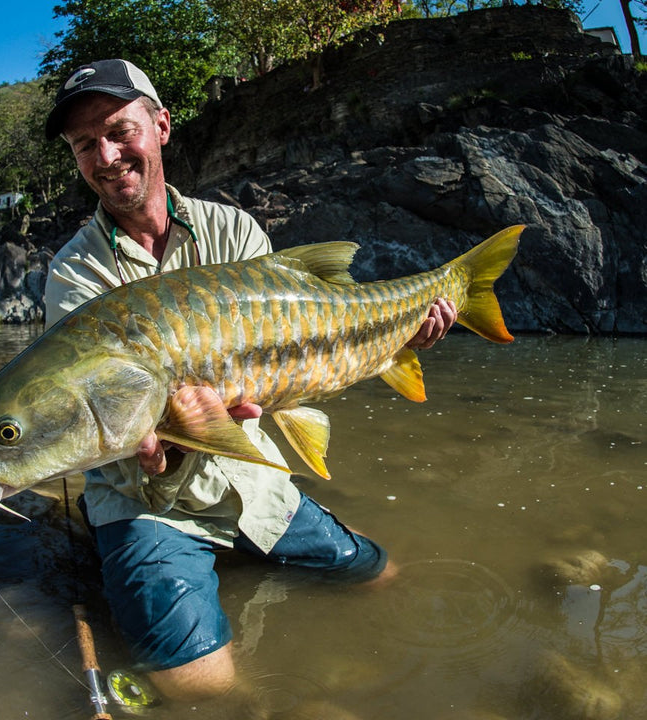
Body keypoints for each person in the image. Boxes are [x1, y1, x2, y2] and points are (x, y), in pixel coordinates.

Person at [42, 59, 457, 702]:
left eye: (120, 130)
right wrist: (166, 449)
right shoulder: (73, 275)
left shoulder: (232, 229)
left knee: (379, 572)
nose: (105, 155)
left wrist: (400, 333)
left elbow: (301, 346)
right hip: (149, 503)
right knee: (201, 689)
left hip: (252, 478)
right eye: (83, 145)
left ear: (161, 126)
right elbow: (106, 420)